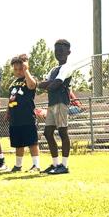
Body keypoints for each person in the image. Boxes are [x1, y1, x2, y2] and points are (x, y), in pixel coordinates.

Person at [38, 39, 74, 175]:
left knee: (63, 132)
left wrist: (46, 85)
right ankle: (55, 164)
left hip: (61, 102)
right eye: (56, 50)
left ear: (68, 52)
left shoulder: (67, 67)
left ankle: (64, 166)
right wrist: (41, 84)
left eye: (61, 50)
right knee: (47, 133)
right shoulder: (54, 69)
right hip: (52, 103)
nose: (58, 53)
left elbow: (57, 83)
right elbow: (46, 83)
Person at [6, 54, 41, 172]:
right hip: (15, 118)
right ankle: (18, 165)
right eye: (15, 69)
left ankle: (36, 165)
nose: (18, 71)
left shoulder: (30, 79)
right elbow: (11, 98)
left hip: (27, 117)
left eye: (20, 69)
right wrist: (8, 112)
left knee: (32, 142)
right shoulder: (13, 83)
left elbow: (31, 86)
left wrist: (26, 71)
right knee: (18, 143)